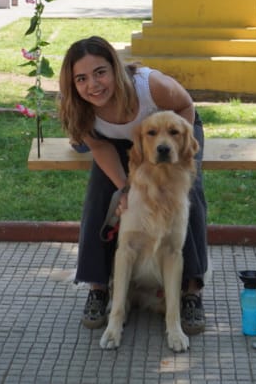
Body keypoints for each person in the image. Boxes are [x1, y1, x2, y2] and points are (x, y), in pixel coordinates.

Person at [58, 36, 208, 336]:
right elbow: (101, 149)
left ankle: (191, 289)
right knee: (101, 194)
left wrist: (179, 149)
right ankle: (99, 285)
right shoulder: (76, 105)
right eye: (82, 78)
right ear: (72, 83)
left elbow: (185, 105)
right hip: (116, 142)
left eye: (100, 72)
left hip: (172, 131)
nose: (93, 85)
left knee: (183, 197)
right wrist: (125, 189)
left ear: (115, 68)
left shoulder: (150, 86)